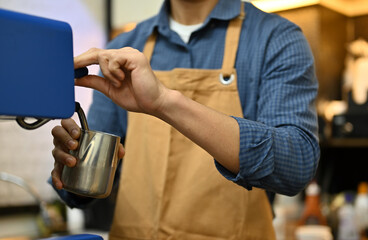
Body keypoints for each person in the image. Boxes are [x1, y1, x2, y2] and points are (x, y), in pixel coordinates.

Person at [50, 0, 320, 239]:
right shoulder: (122, 49)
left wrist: (164, 102)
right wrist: (74, 164)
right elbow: (89, 183)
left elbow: (296, 165)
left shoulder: (276, 38)